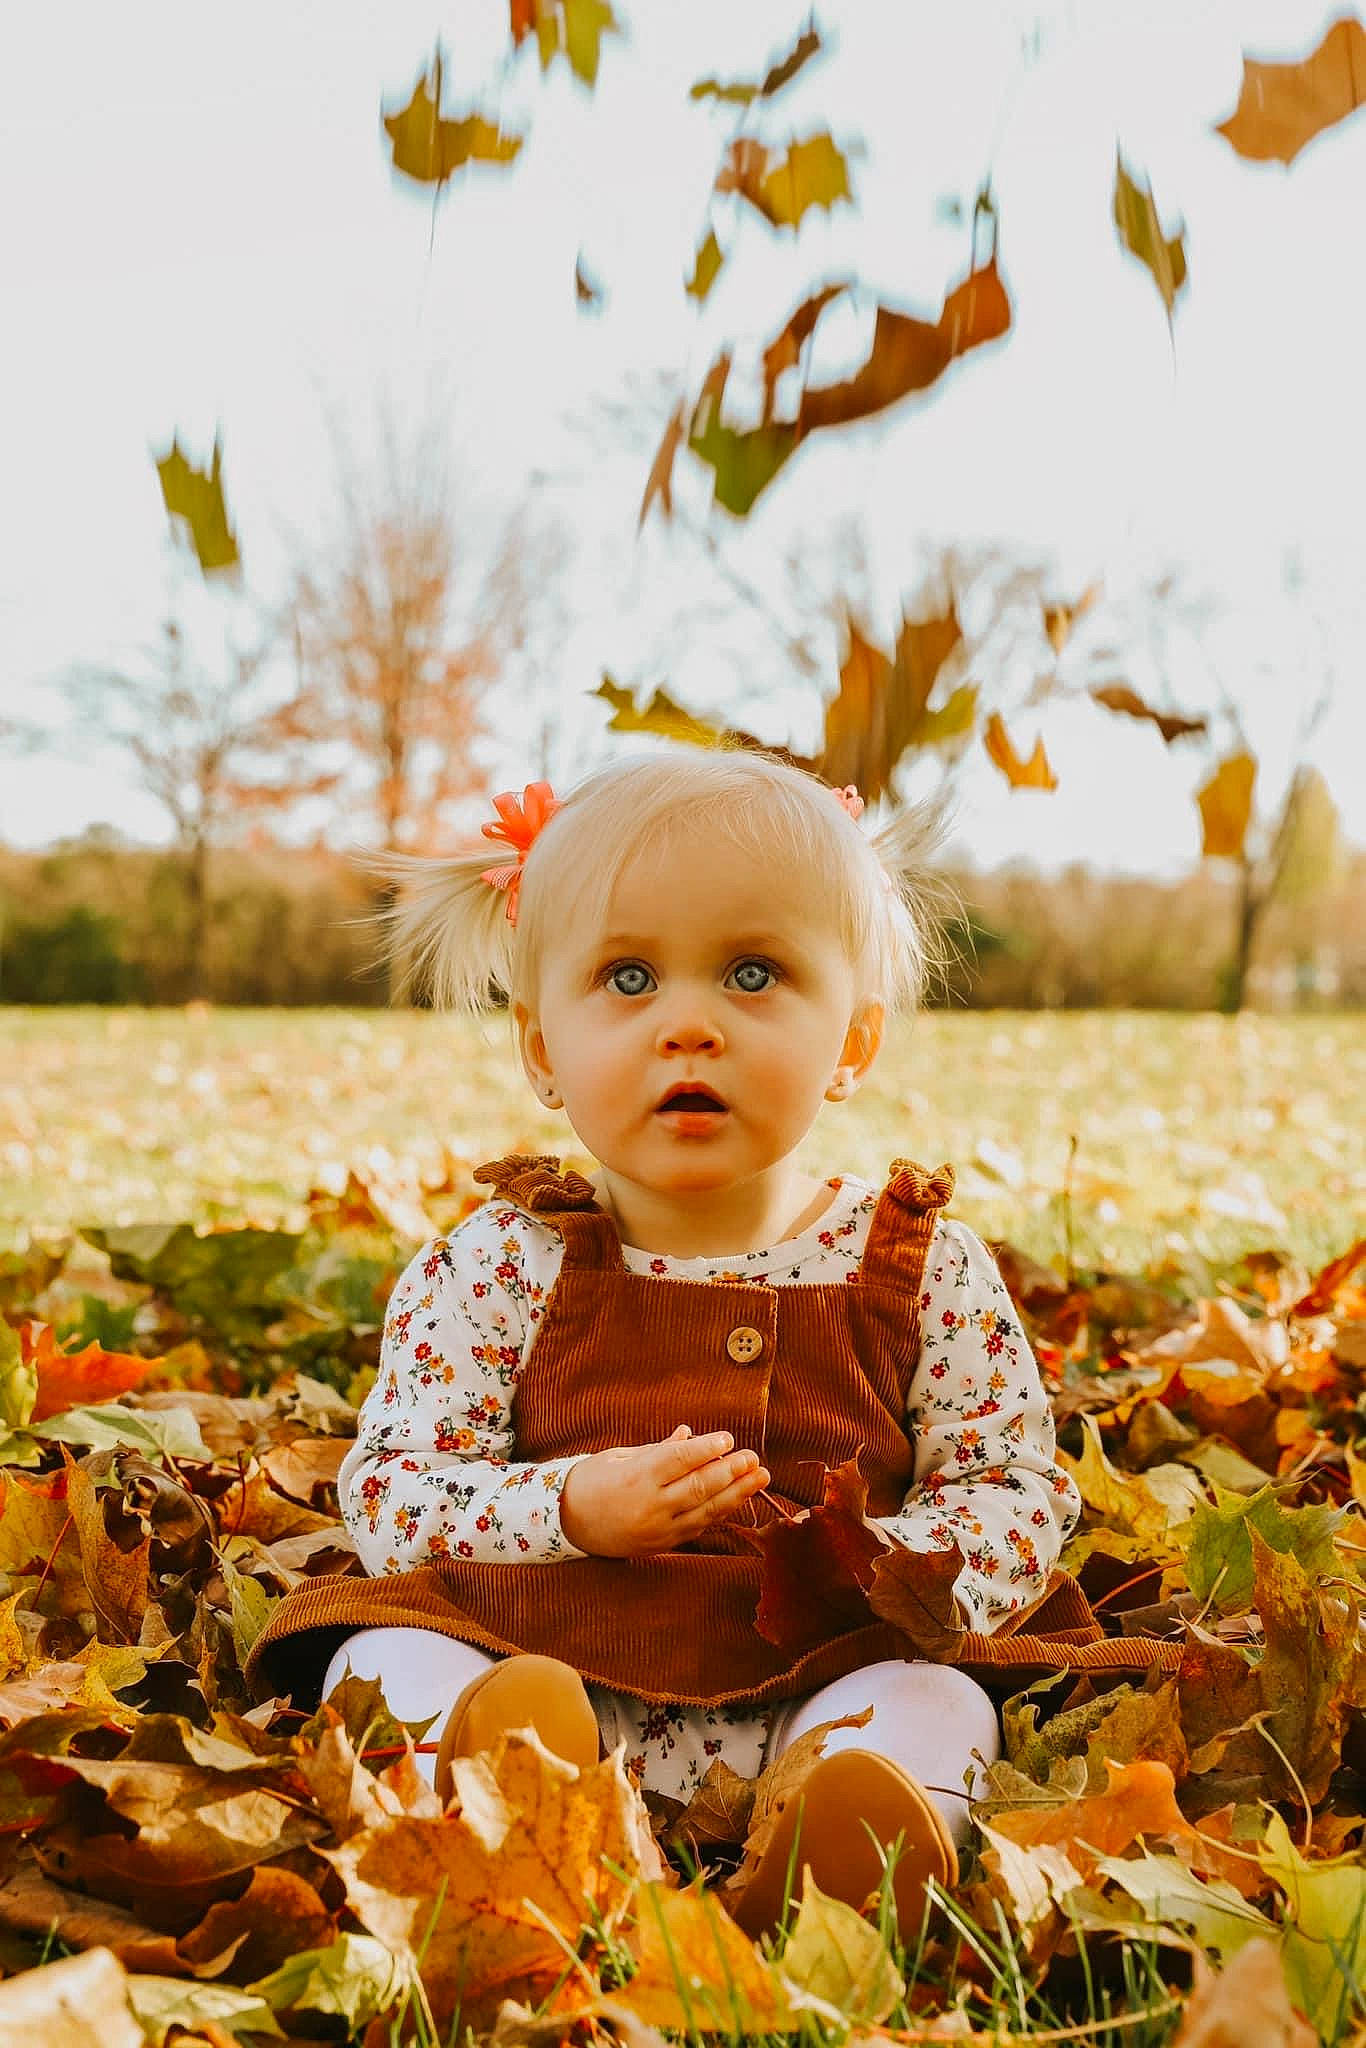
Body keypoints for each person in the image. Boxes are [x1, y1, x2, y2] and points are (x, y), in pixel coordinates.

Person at [247, 748, 1082, 1939]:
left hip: (816, 1673)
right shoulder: (498, 1263)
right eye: (628, 976)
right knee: (384, 1653)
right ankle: (503, 1787)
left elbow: (1013, 1488)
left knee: (938, 1699)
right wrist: (567, 1506)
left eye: (753, 972)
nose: (688, 1023)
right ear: (542, 1048)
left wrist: (879, 1562)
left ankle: (847, 1825)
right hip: (534, 1646)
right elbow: (389, 1491)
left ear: (851, 1040)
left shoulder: (916, 1267)